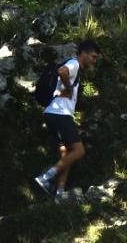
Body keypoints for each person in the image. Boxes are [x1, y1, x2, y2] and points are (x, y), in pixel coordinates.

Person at [33, 40, 101, 197]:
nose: (94, 60)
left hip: (52, 113)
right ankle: (46, 177)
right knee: (79, 151)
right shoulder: (74, 64)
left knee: (67, 154)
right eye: (93, 56)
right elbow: (62, 71)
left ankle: (60, 192)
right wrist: (69, 89)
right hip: (61, 114)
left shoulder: (75, 67)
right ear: (83, 53)